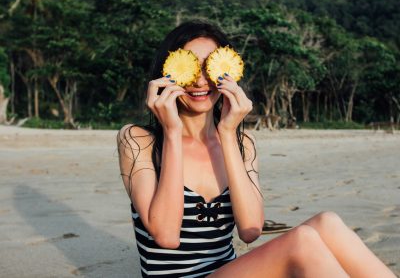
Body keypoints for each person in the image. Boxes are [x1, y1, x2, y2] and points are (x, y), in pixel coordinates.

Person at [117, 21, 395, 278]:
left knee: (328, 222)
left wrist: (227, 134)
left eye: (210, 67)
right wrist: (173, 132)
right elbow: (166, 235)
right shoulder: (139, 140)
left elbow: (250, 229)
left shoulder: (242, 144)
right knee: (302, 241)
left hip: (230, 271)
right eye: (189, 66)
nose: (201, 81)